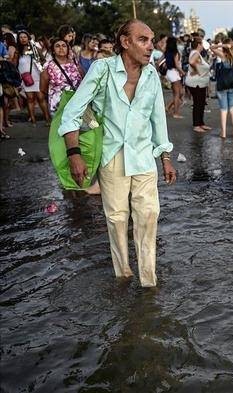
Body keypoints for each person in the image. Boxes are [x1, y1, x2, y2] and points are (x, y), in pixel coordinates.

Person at [58, 19, 176, 288]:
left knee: (148, 216)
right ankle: (123, 273)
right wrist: (74, 153)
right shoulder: (103, 70)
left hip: (144, 157)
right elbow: (73, 112)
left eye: (151, 41)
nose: (150, 47)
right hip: (113, 157)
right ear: (125, 42)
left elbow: (158, 119)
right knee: (117, 218)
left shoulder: (151, 76)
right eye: (143, 40)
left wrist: (165, 158)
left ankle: (149, 281)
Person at [39, 38, 82, 115]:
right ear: (53, 50)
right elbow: (43, 88)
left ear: (68, 49)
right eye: (57, 46)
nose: (61, 48)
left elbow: (83, 79)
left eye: (64, 46)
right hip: (58, 105)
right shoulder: (48, 66)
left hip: (76, 103)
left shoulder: (75, 63)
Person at [16, 30, 51, 125]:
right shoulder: (18, 51)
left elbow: (43, 60)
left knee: (41, 98)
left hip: (37, 77)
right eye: (21, 37)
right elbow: (15, 64)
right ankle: (33, 119)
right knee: (30, 99)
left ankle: (47, 119)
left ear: (28, 38)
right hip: (25, 78)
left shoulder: (35, 49)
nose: (23, 39)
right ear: (18, 39)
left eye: (25, 37)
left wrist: (43, 70)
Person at [211, 39, 233, 138]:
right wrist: (232, 47)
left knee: (223, 109)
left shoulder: (223, 55)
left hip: (223, 85)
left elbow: (211, 48)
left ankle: (223, 132)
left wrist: (222, 45)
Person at [184, 37, 211, 133]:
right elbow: (191, 62)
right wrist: (197, 70)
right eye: (202, 44)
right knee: (198, 103)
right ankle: (196, 124)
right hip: (196, 83)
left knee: (201, 103)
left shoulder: (197, 53)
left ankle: (201, 123)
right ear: (199, 45)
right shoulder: (195, 53)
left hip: (200, 83)